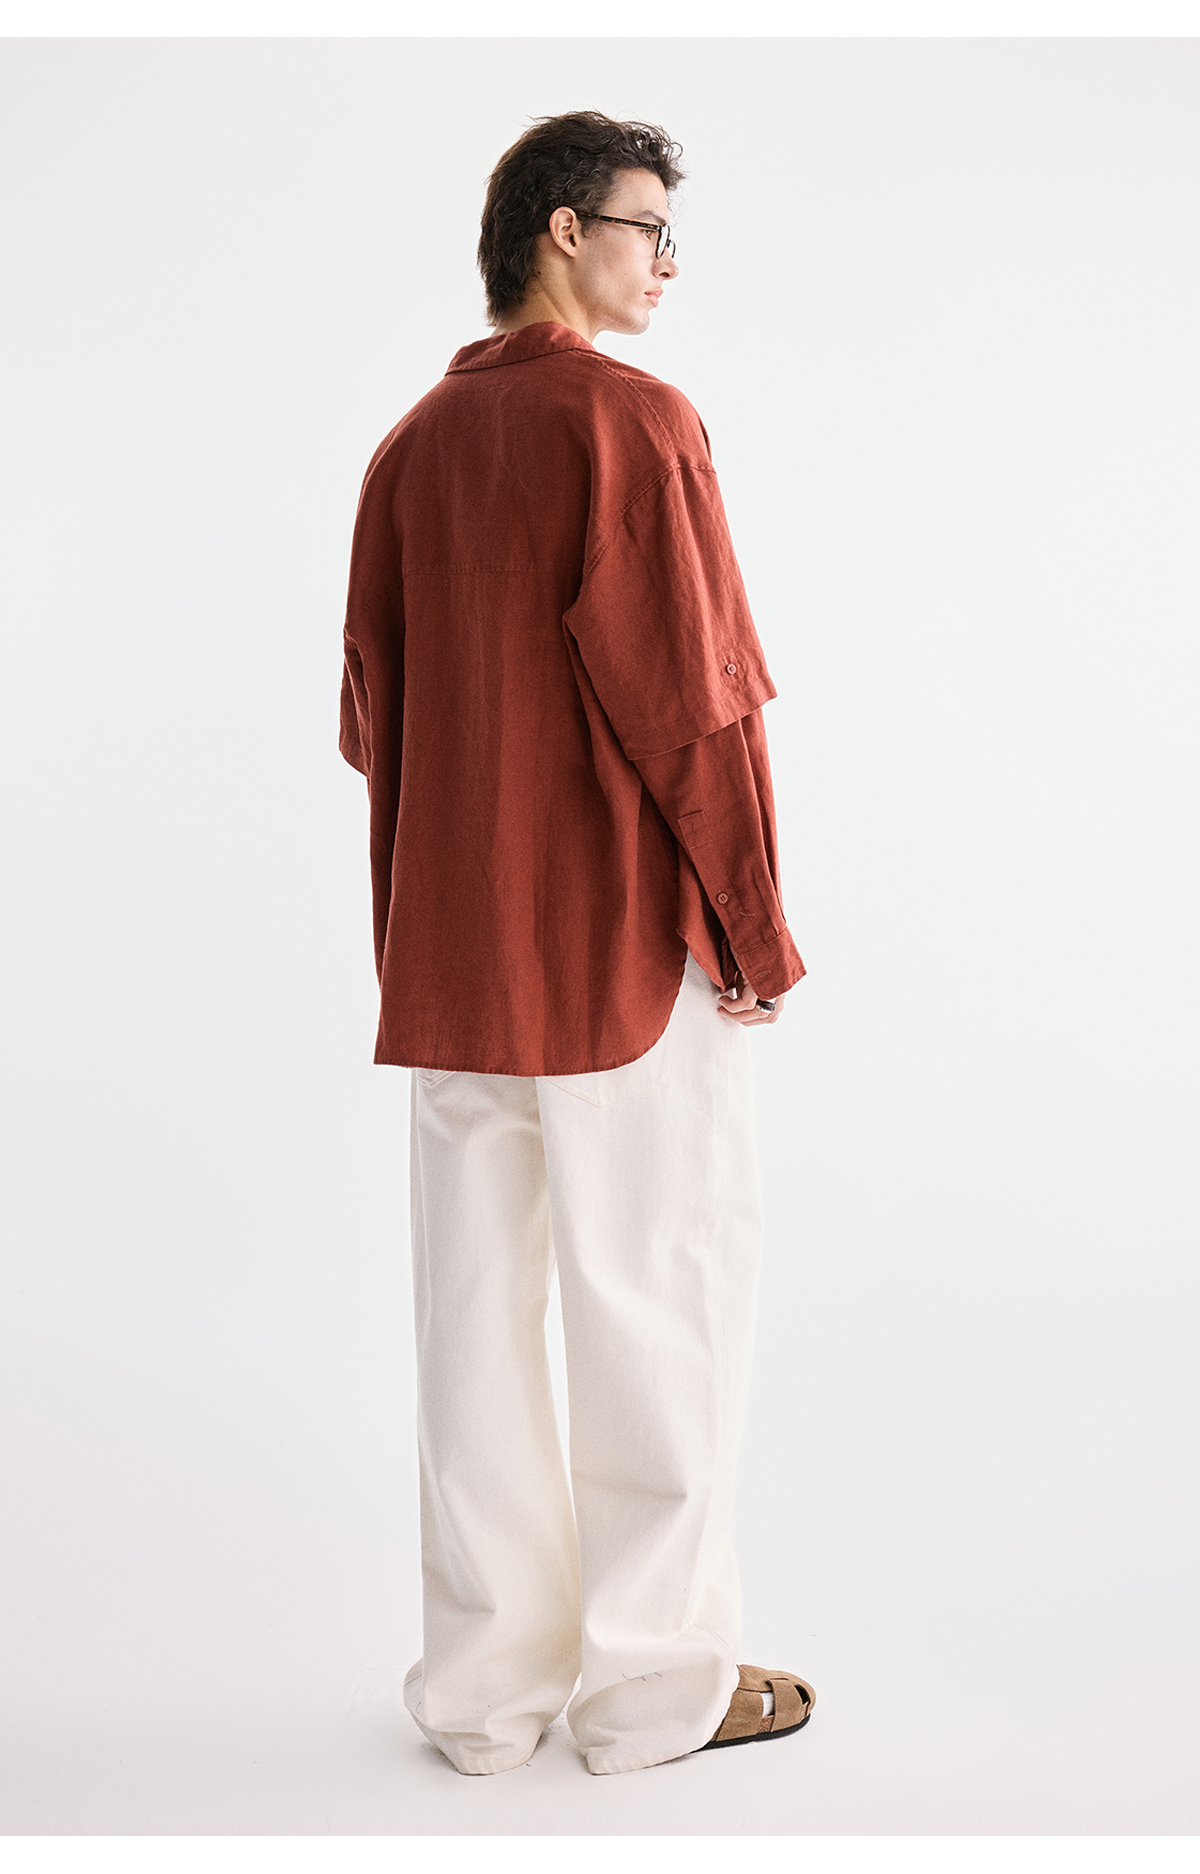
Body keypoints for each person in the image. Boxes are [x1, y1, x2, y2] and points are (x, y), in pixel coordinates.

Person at [339, 109, 814, 1778]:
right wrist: (753, 923)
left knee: (472, 1332)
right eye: (649, 229)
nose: (668, 263)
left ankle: (483, 1697)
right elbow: (698, 704)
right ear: (562, 229)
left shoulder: (408, 450)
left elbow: (370, 724)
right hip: (619, 950)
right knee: (658, 1299)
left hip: (452, 960)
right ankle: (652, 1688)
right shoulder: (635, 424)